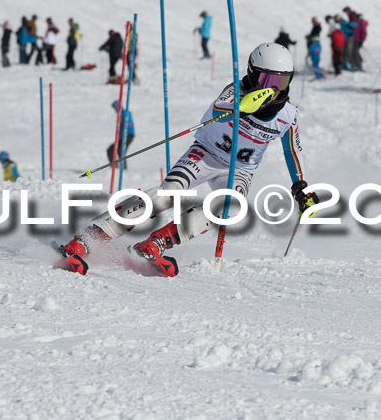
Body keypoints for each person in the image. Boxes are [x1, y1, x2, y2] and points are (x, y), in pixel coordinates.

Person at [56, 43, 320, 277]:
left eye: (281, 83)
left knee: (228, 208)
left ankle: (156, 243)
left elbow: (293, 151)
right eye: (266, 80)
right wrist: (243, 106)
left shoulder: (288, 116)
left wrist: (300, 186)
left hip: (240, 169)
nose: (272, 90)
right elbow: (220, 107)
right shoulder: (235, 91)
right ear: (252, 75)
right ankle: (90, 237)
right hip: (205, 153)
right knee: (168, 193)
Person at [106, 100, 135, 168]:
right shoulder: (119, 115)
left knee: (121, 151)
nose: (114, 110)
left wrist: (125, 120)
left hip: (128, 135)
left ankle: (123, 168)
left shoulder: (126, 113)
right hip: (122, 137)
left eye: (115, 108)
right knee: (110, 150)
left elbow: (128, 123)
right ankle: (114, 167)